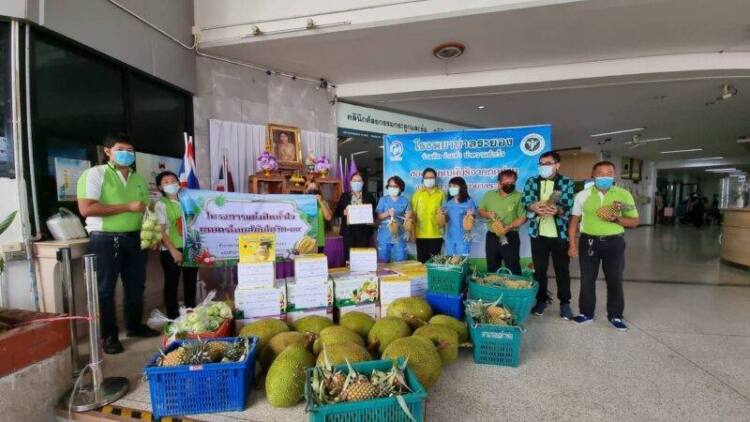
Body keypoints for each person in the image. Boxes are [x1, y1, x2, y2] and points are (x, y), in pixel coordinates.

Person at [76, 134, 159, 354]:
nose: (126, 154)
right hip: (105, 239)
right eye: (120, 149)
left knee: (136, 286)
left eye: (130, 151)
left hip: (136, 238)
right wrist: (127, 207)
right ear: (107, 151)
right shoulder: (95, 174)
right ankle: (109, 336)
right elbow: (86, 208)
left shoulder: (138, 178)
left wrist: (151, 235)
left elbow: (145, 210)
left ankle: (134, 326)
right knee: (105, 290)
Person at [568, 161, 639, 331]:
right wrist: (572, 244)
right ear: (593, 175)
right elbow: (574, 221)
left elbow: (635, 221)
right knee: (587, 279)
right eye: (601, 173)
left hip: (614, 242)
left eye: (609, 173)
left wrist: (616, 219)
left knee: (615, 279)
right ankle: (586, 313)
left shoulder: (623, 195)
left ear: (614, 176)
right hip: (589, 242)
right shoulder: (582, 195)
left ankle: (615, 315)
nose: (605, 177)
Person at [521, 151, 576, 319]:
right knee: (539, 271)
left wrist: (557, 210)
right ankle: (541, 300)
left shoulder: (566, 182)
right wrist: (533, 207)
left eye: (548, 163)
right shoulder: (531, 181)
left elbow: (568, 205)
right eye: (541, 164)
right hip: (537, 234)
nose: (543, 166)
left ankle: (565, 303)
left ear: (557, 165)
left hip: (559, 235)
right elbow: (525, 201)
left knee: (562, 270)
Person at [154, 171, 198, 320]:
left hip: (190, 246)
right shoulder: (161, 204)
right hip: (171, 249)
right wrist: (173, 251)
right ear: (160, 187)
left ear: (179, 183)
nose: (171, 184)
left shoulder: (188, 200)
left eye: (173, 180)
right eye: (166, 182)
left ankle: (191, 313)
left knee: (191, 281)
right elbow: (161, 231)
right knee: (172, 283)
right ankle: (172, 317)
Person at [478, 169, 527, 274]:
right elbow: (480, 211)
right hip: (492, 236)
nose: (510, 185)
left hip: (510, 235)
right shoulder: (489, 195)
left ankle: (515, 284)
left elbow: (523, 218)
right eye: (507, 182)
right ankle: (493, 284)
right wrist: (488, 214)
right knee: (492, 266)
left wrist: (509, 227)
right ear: (499, 183)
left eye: (512, 182)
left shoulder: (519, 196)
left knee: (513, 266)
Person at [334, 172, 376, 263]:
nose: (357, 183)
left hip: (364, 232)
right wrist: (343, 212)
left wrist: (370, 217)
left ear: (363, 183)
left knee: (362, 257)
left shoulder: (369, 196)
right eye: (354, 181)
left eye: (359, 181)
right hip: (348, 232)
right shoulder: (344, 196)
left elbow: (374, 213)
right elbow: (337, 212)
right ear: (350, 183)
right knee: (349, 257)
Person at [411, 168, 445, 262]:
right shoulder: (417, 195)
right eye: (427, 177)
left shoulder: (441, 194)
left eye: (431, 177)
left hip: (436, 235)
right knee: (422, 263)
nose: (429, 179)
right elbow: (412, 216)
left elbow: (445, 215)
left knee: (435, 263)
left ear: (435, 179)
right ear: (423, 179)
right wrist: (413, 233)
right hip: (420, 235)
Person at [375, 176, 412, 262]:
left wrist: (409, 216)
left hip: (399, 235)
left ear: (400, 187)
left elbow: (409, 215)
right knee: (383, 261)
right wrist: (388, 213)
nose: (392, 188)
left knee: (401, 260)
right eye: (390, 186)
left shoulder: (405, 200)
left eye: (395, 186)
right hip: (385, 235)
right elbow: (378, 216)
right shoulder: (383, 200)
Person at [442, 177, 477, 256]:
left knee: (462, 260)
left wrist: (471, 216)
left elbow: (473, 219)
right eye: (450, 186)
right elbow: (445, 219)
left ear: (462, 187)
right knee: (449, 260)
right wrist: (442, 215)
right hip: (450, 237)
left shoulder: (469, 201)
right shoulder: (448, 202)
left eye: (454, 186)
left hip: (463, 237)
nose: (452, 188)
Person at [305, 180, 333, 253]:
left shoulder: (323, 202)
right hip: (305, 238)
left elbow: (328, 217)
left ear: (318, 190)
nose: (313, 190)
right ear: (306, 190)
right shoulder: (302, 203)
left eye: (315, 188)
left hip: (318, 239)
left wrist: (320, 202)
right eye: (310, 188)